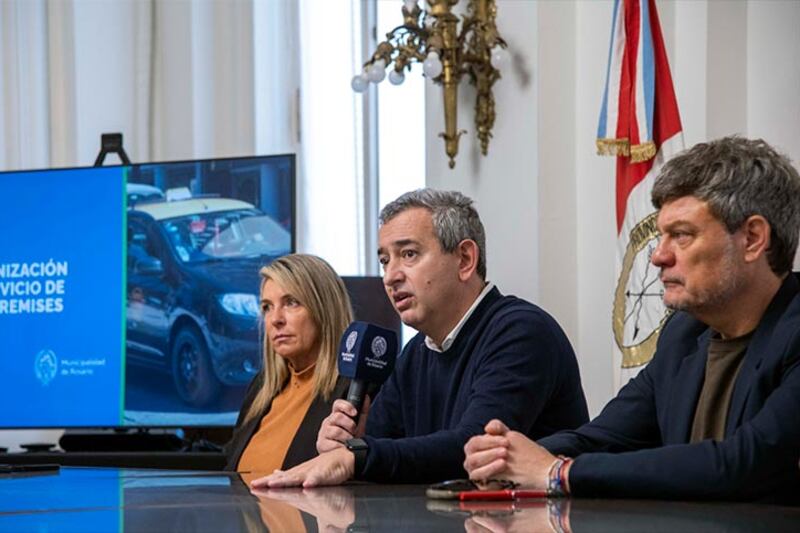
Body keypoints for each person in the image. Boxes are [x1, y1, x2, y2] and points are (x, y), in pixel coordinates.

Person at [464, 136, 800, 504]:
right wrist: (507, 458)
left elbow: (746, 464)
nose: (657, 256)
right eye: (660, 236)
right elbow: (603, 438)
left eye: (681, 235)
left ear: (752, 238)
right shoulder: (683, 334)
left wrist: (558, 472)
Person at [251, 189, 588, 488]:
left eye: (409, 254)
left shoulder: (521, 332)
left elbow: (474, 449)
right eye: (385, 260)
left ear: (465, 259)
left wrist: (359, 455)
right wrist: (348, 441)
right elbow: (377, 450)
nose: (390, 276)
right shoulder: (416, 351)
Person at [225, 254, 354, 477]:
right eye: (267, 307)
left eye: (291, 303)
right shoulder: (260, 388)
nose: (276, 319)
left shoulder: (354, 389)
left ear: (324, 309)